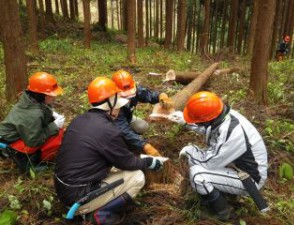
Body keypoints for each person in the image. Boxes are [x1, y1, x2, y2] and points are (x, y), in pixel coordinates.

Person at [54, 77, 165, 225]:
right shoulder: (109, 130)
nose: (119, 109)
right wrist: (148, 162)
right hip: (78, 198)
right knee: (137, 177)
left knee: (116, 167)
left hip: (63, 188)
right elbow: (128, 162)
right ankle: (101, 213)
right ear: (110, 105)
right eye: (117, 106)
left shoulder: (79, 120)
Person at [168, 91, 268, 221]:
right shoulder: (223, 116)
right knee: (197, 165)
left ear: (208, 119)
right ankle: (218, 192)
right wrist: (184, 120)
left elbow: (209, 163)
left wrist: (190, 151)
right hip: (236, 166)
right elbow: (209, 127)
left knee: (198, 175)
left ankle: (221, 211)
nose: (198, 124)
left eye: (198, 121)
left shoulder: (232, 133)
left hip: (249, 178)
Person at [0, 72, 65, 172]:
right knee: (55, 137)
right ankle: (26, 162)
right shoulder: (33, 114)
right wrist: (54, 126)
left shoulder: (30, 99)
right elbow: (34, 142)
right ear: (42, 95)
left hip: (19, 133)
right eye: (51, 95)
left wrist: (51, 114)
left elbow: (41, 110)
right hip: (10, 141)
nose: (54, 97)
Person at [112, 69, 174, 156]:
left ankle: (132, 139)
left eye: (130, 94)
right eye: (125, 96)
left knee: (142, 126)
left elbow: (149, 95)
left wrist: (161, 96)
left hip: (127, 119)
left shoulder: (134, 89)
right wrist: (145, 146)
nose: (128, 97)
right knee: (120, 138)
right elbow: (123, 129)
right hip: (112, 125)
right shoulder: (113, 105)